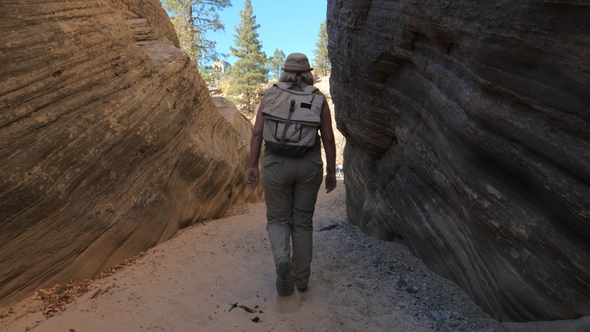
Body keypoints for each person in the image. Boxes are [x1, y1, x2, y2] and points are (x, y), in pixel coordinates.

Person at [247, 53, 337, 296]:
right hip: (308, 165)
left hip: (276, 163)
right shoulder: (318, 98)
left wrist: (253, 165)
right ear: (308, 73)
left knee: (277, 219)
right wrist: (330, 170)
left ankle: (281, 259)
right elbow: (328, 138)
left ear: (284, 71)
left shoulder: (271, 93)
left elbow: (257, 134)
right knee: (303, 223)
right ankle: (300, 280)